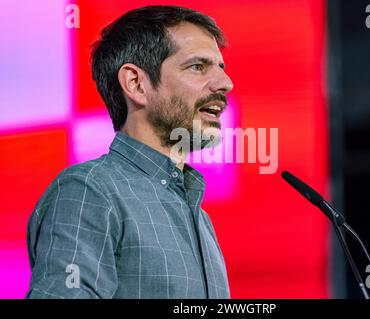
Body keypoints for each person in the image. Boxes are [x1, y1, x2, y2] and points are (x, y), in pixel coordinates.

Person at [26, 5, 233, 299]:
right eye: (198, 66)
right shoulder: (89, 192)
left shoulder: (199, 216)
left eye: (220, 68)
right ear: (136, 84)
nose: (226, 83)